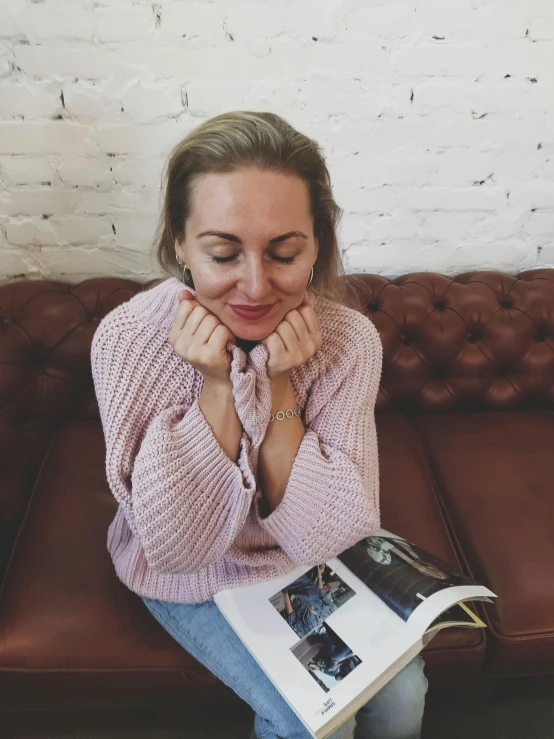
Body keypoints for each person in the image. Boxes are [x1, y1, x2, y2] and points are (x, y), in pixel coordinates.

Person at [90, 111, 428, 739]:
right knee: (310, 719)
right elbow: (178, 547)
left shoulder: (347, 342)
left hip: (298, 566)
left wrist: (277, 386)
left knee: (402, 696)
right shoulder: (128, 340)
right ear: (180, 245)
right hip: (189, 578)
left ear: (316, 246)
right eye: (222, 253)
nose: (253, 285)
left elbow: (332, 536)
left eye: (282, 253)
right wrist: (217, 388)